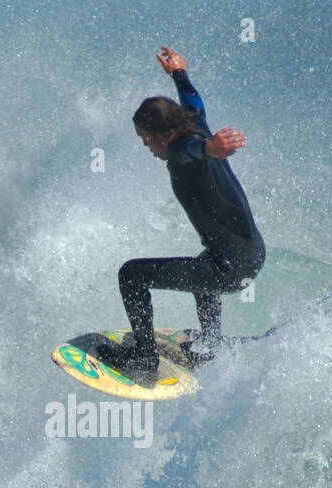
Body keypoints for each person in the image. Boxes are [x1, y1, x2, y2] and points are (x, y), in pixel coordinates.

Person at [102, 45, 265, 378]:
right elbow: (194, 99)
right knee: (200, 270)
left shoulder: (180, 148)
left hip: (230, 269)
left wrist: (208, 148)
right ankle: (210, 344)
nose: (147, 147)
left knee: (131, 275)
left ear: (165, 135)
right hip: (251, 254)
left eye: (147, 139)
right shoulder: (194, 122)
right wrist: (179, 72)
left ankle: (144, 361)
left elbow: (190, 151)